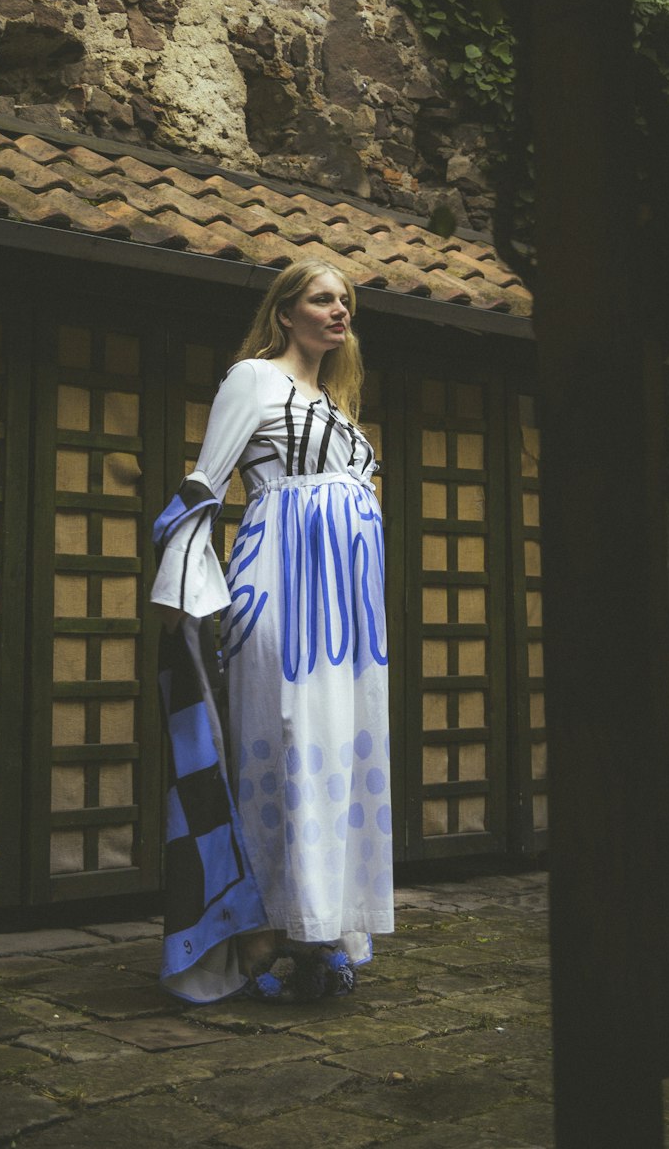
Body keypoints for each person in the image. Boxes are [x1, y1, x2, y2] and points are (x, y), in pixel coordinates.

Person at [151, 259, 393, 1004]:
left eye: (346, 300)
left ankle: (318, 929)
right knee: (281, 747)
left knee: (334, 757)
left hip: (348, 622)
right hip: (279, 592)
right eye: (323, 298)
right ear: (286, 312)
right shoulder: (251, 380)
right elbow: (205, 482)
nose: (339, 310)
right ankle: (257, 932)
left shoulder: (337, 407)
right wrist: (181, 593)